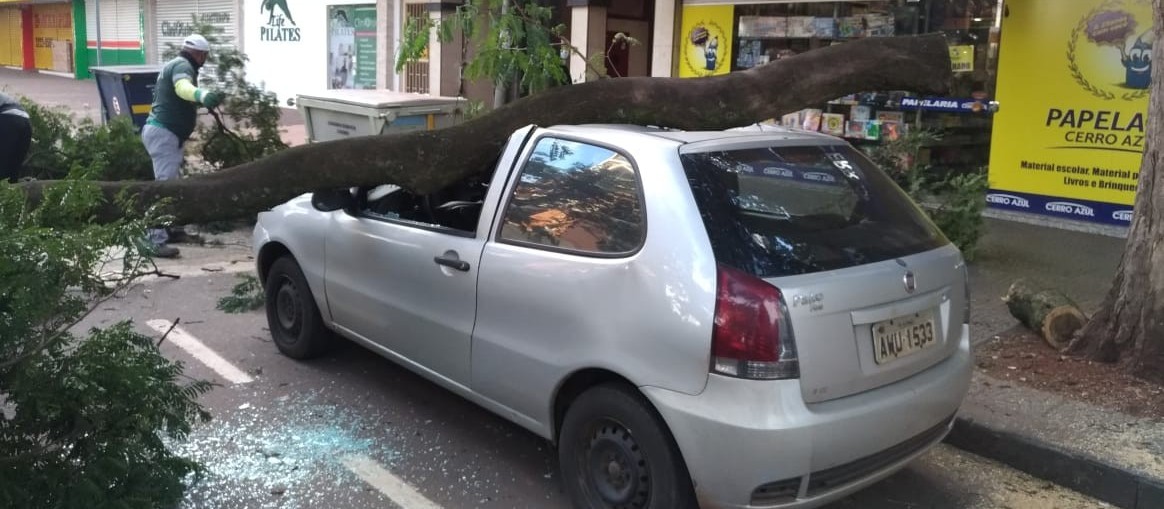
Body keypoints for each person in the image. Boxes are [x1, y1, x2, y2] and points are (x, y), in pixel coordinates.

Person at [141, 34, 223, 258]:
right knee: (165, 189)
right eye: (204, 56)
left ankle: (173, 230)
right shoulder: (182, 66)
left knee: (173, 186)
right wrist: (201, 94)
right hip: (164, 134)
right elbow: (182, 88)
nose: (204, 60)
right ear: (199, 54)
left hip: (167, 135)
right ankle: (153, 240)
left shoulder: (178, 64)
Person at [0, 92, 31, 184]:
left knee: (3, 163)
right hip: (25, 120)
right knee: (14, 163)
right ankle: (11, 187)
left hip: (8, 119)